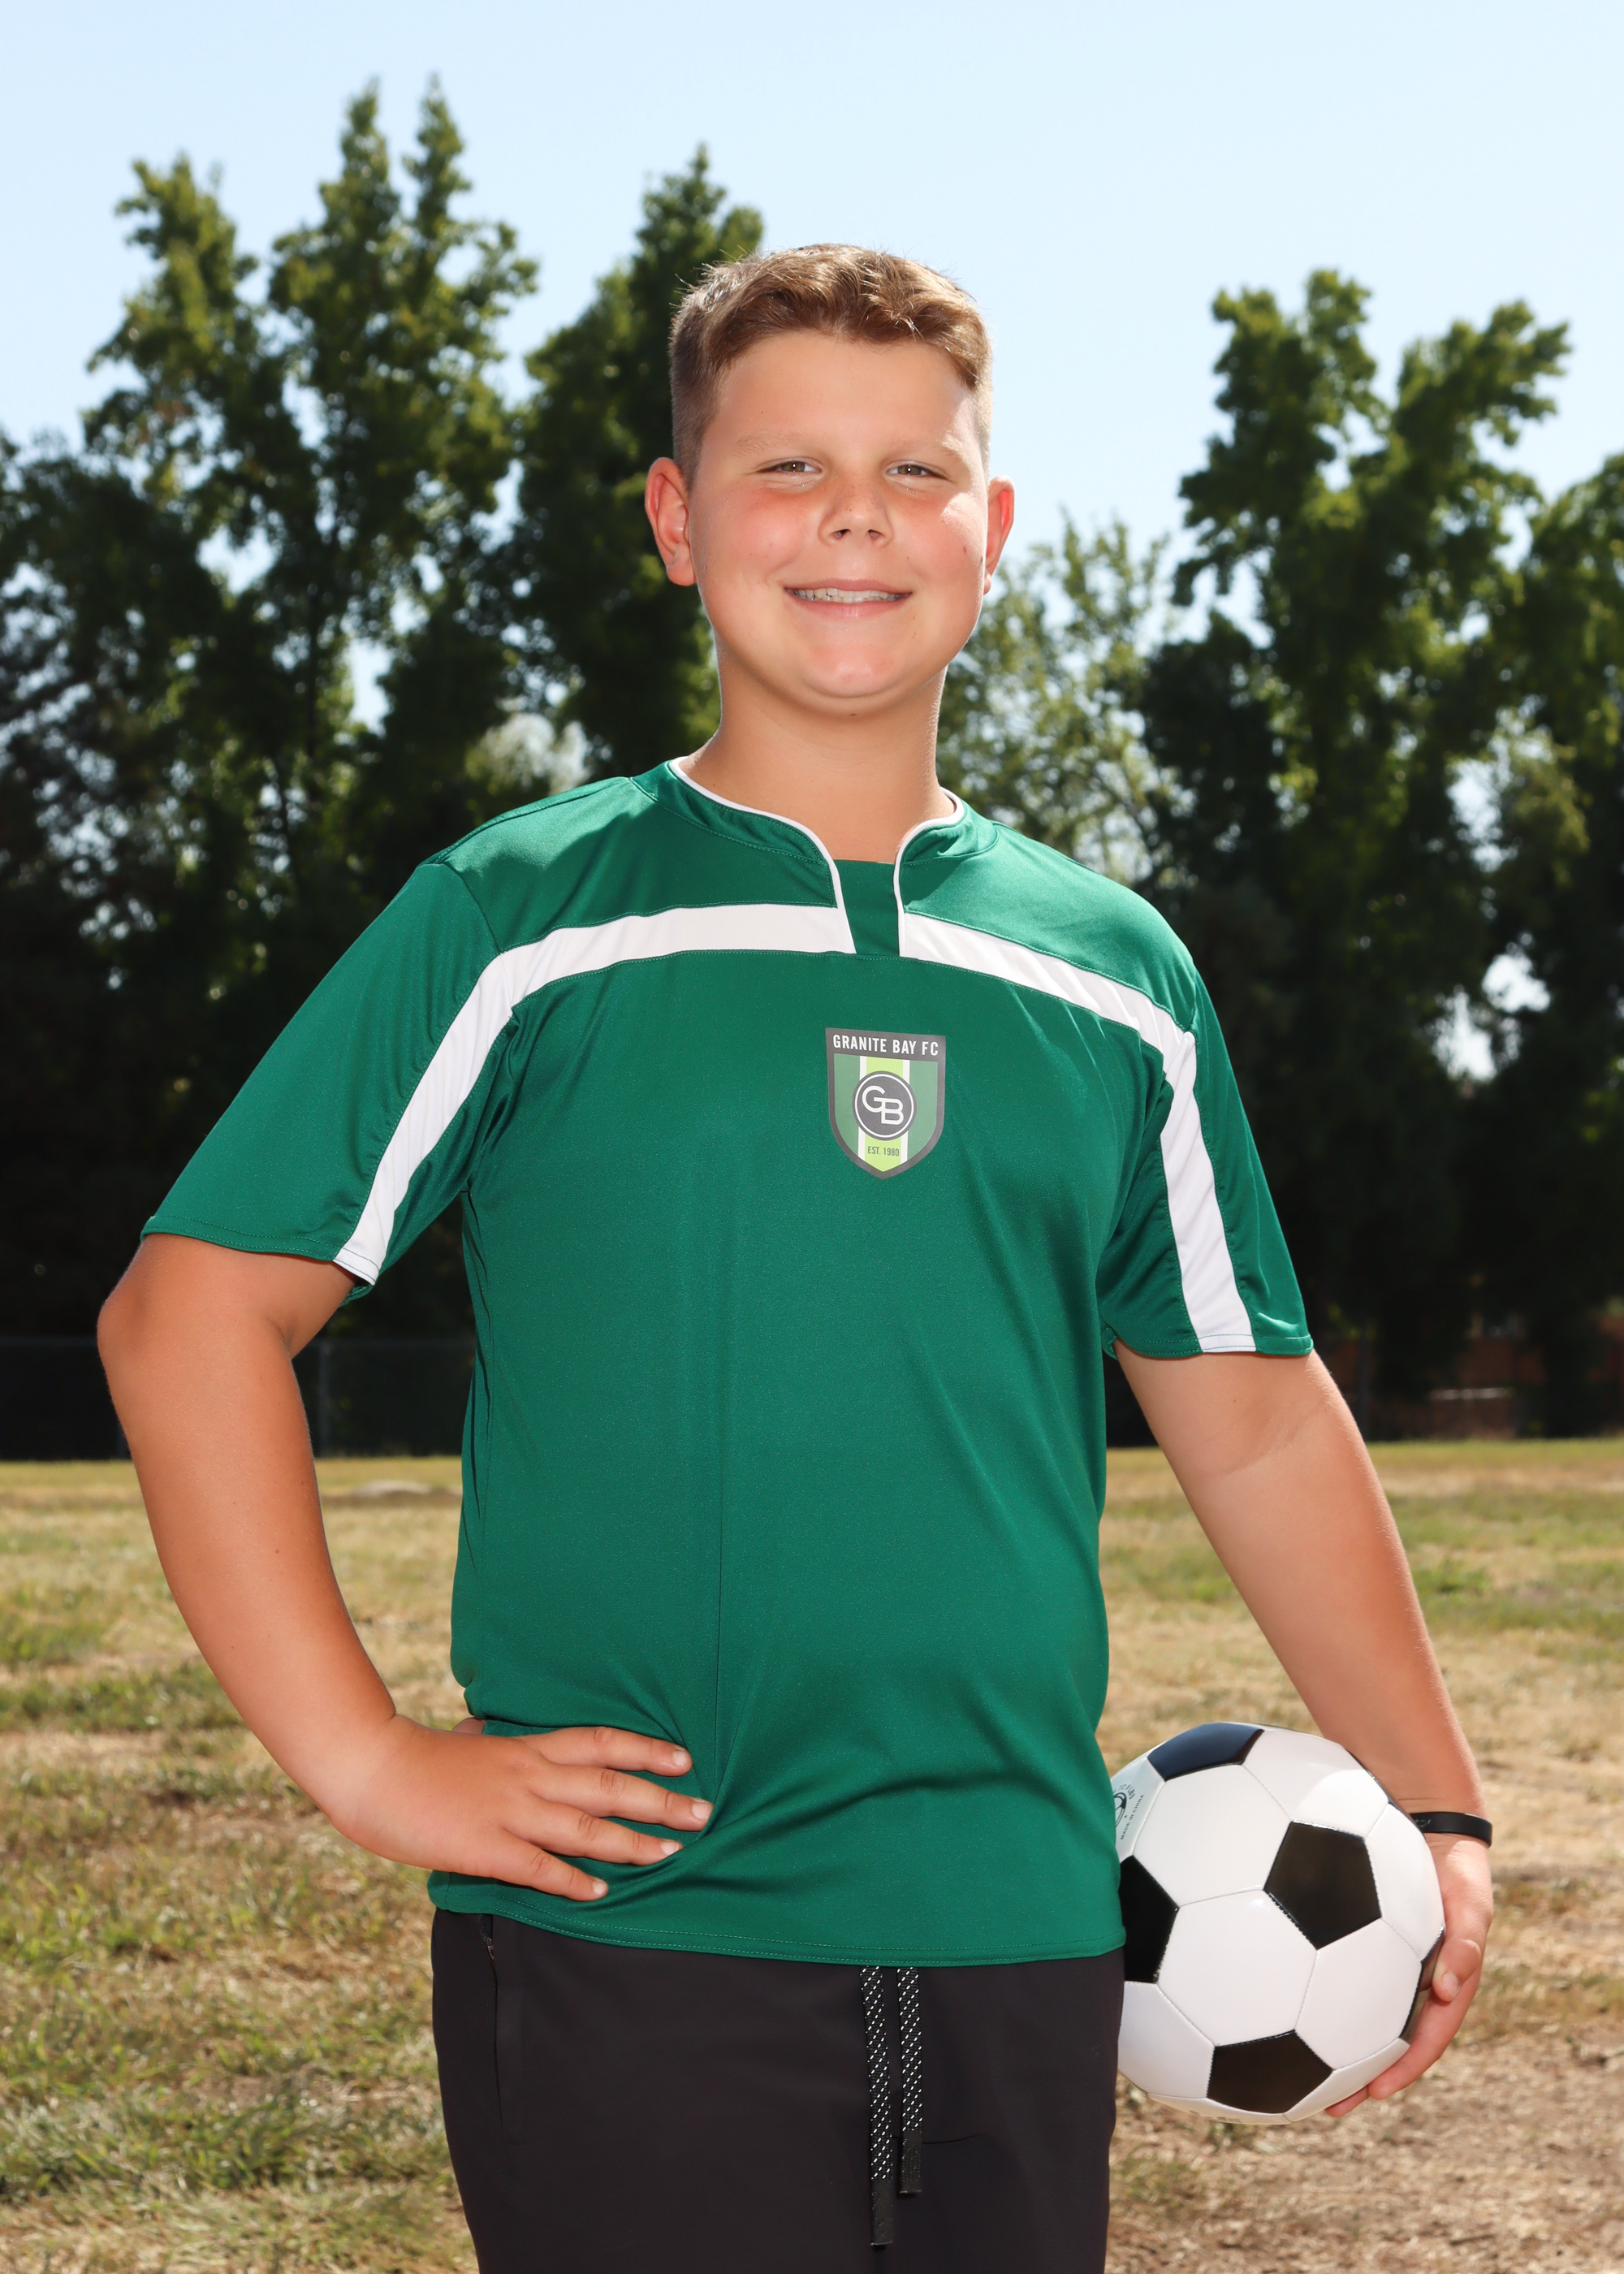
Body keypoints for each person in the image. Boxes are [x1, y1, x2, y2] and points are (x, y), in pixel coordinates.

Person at [97, 246, 1493, 2274]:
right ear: (677, 521)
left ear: (990, 528)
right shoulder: (527, 914)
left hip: (1022, 1925)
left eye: (915, 471)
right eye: (787, 469)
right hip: (639, 1932)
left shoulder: (1113, 972)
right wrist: (365, 1754)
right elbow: (192, 1314)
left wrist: (1438, 1806)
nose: (855, 517)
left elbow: (1259, 1418)